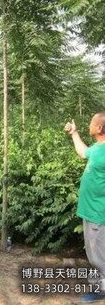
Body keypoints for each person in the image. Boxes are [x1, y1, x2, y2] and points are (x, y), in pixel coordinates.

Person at [65, 113, 105, 303]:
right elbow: (83, 152)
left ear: (99, 129)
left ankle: (101, 291)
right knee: (95, 254)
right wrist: (74, 133)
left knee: (98, 257)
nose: (89, 124)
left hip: (99, 213)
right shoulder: (98, 149)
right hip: (91, 212)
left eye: (92, 122)